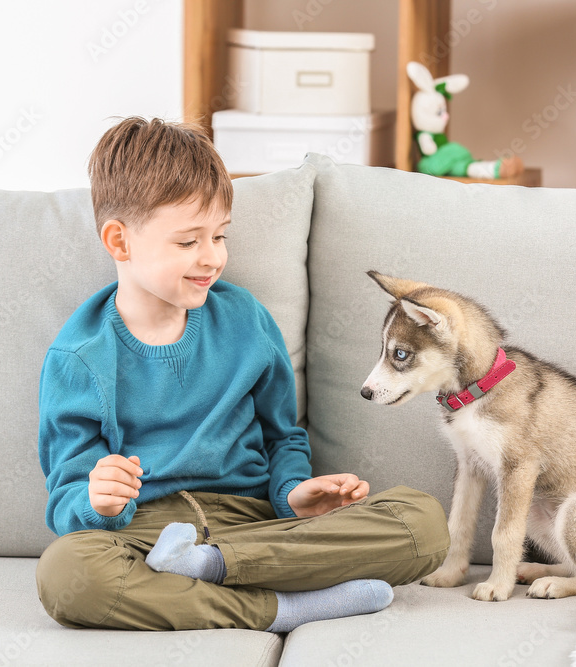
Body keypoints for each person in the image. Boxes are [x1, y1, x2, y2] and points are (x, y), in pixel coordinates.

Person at [35, 116, 449, 632]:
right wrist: (97, 500)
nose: (212, 258)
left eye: (220, 236)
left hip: (254, 526)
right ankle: (283, 607)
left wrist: (294, 491)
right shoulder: (79, 358)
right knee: (65, 572)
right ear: (120, 242)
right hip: (144, 535)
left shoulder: (245, 320)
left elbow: (283, 436)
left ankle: (208, 567)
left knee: (424, 523)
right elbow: (67, 501)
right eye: (188, 242)